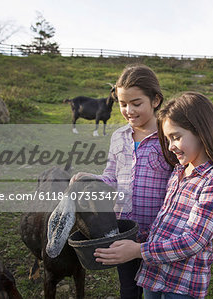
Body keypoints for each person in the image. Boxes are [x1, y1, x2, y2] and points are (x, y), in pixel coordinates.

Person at [94, 92, 213, 299]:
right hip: (154, 275)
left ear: (201, 132)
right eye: (167, 139)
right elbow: (164, 223)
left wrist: (139, 250)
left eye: (176, 137)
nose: (170, 146)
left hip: (182, 284)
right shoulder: (179, 172)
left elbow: (194, 240)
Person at [70, 64, 173, 299]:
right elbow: (111, 177)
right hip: (124, 231)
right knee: (128, 287)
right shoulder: (119, 137)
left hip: (159, 235)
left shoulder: (168, 137)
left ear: (155, 100)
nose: (128, 111)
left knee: (156, 291)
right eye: (123, 104)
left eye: (136, 104)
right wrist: (91, 178)